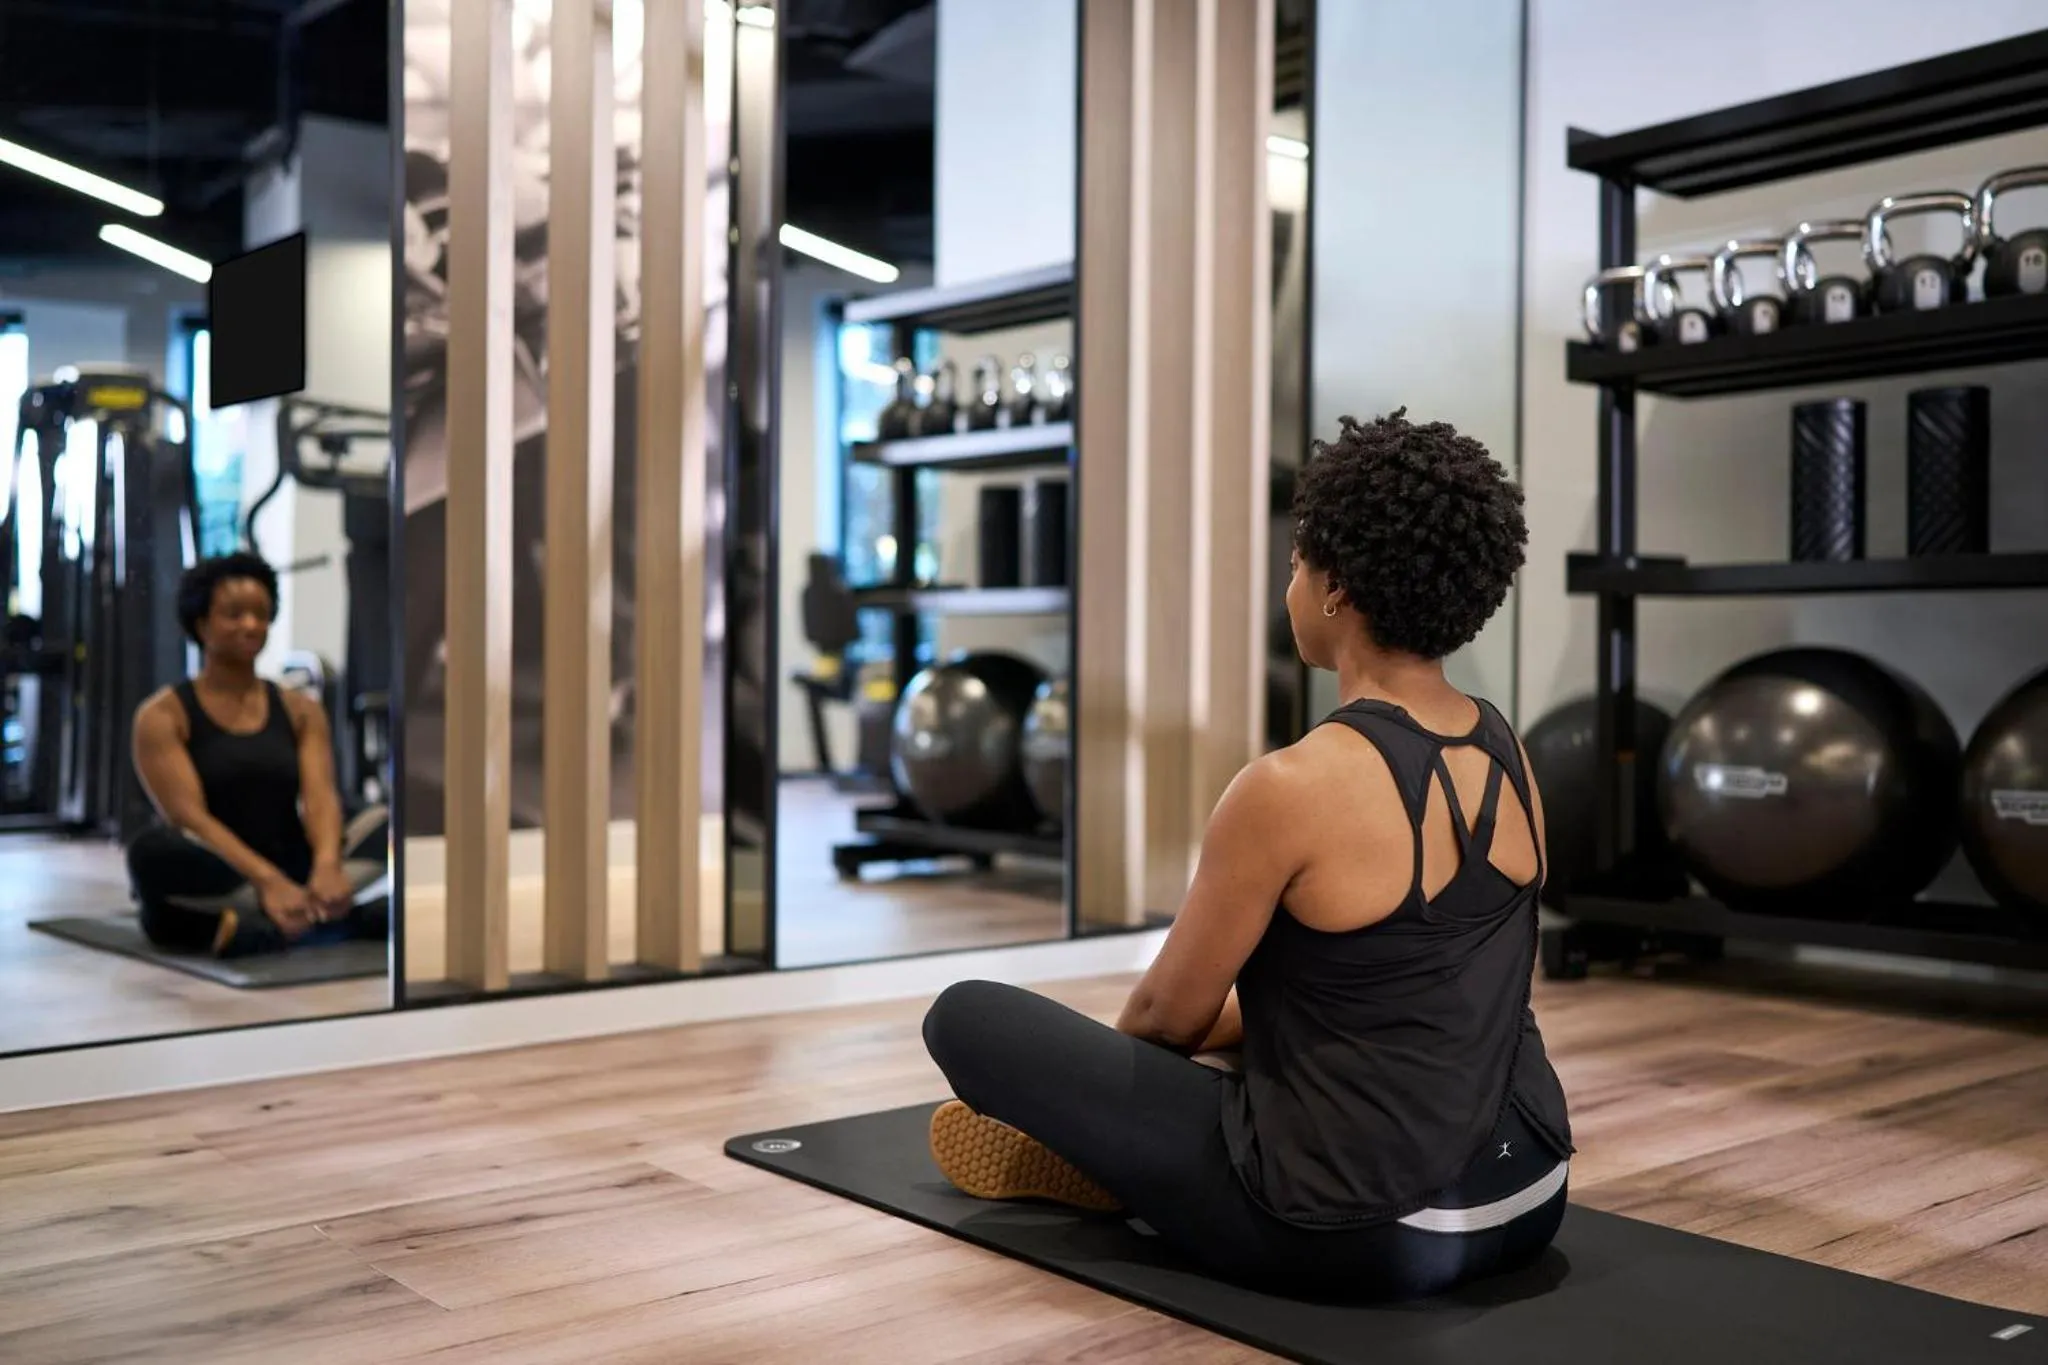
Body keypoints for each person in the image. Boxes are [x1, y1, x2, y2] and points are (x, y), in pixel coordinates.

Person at [921, 410, 1571, 1302]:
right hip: (1528, 1194)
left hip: (1369, 1233)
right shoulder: (1511, 751)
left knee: (966, 1017)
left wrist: (1108, 1112)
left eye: (1298, 562)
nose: (1290, 584)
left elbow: (1164, 1019)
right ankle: (1159, 1159)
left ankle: (1120, 1172)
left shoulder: (1287, 787)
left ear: (1335, 585)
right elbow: (1437, 998)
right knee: (1275, 1027)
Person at [128, 551, 389, 958]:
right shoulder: (162, 716)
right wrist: (268, 882)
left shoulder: (300, 709)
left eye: (260, 614)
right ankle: (318, 916)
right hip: (225, 868)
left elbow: (320, 796)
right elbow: (189, 819)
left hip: (293, 861)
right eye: (234, 614)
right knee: (151, 854)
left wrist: (326, 866)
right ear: (202, 624)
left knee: (382, 821)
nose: (251, 625)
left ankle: (276, 920)